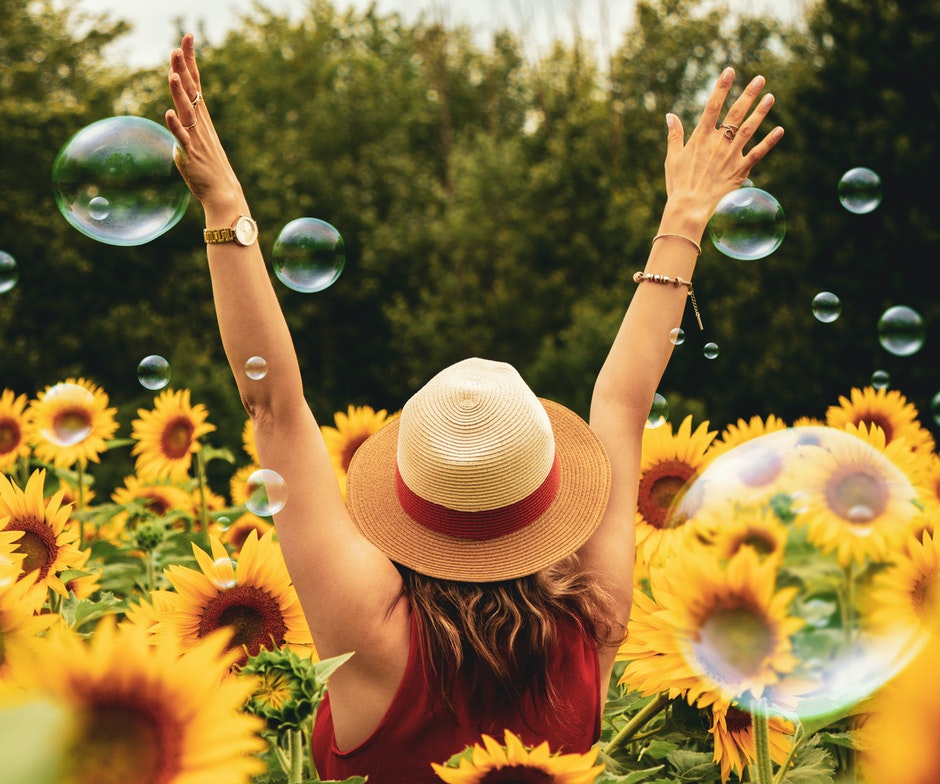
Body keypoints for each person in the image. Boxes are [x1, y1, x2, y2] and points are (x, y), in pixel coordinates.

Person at [165, 32, 783, 783]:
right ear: (547, 494)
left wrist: (225, 205)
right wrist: (685, 216)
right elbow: (621, 405)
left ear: (410, 495)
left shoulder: (371, 633)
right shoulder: (593, 626)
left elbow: (274, 407)